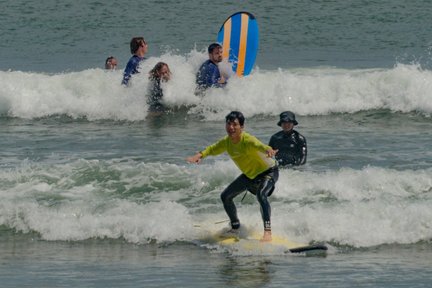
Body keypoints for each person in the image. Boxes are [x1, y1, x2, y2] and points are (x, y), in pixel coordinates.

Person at [187, 111, 278, 242]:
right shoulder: (227, 142)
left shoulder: (247, 140)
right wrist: (200, 155)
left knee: (261, 194)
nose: (231, 127)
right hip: (250, 175)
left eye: (235, 124)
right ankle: (235, 227)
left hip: (268, 171)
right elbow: (212, 149)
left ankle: (267, 232)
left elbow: (260, 145)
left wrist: (268, 150)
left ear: (242, 127)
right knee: (225, 196)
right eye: (229, 124)